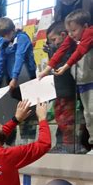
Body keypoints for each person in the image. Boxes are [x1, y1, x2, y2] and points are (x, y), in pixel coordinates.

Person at [40, 10, 93, 154]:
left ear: (85, 26)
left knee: (86, 114)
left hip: (85, 84)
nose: (71, 34)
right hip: (82, 84)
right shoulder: (72, 39)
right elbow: (61, 52)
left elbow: (80, 52)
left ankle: (80, 144)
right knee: (88, 115)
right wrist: (47, 69)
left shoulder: (88, 34)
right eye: (69, 31)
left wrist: (65, 66)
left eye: (74, 30)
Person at [37, 21, 77, 152]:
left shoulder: (71, 48)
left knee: (68, 121)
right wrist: (51, 52)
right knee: (60, 118)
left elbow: (64, 64)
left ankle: (69, 145)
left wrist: (54, 51)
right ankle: (61, 144)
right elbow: (54, 65)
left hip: (68, 91)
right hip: (58, 91)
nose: (53, 43)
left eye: (54, 39)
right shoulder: (56, 50)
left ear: (63, 35)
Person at [0, 17, 36, 125]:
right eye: (3, 36)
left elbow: (20, 57)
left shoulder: (22, 38)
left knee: (29, 111)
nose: (6, 37)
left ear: (13, 29)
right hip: (13, 83)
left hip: (25, 78)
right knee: (19, 112)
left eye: (8, 34)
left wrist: (15, 77)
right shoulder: (4, 44)